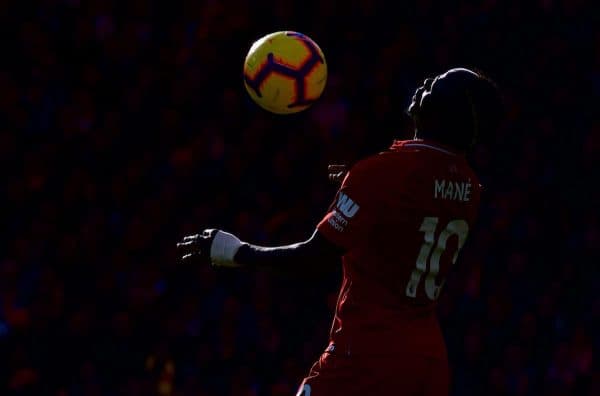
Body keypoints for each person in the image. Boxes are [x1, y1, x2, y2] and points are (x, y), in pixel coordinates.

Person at [177, 67, 503, 396]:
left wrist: (234, 251)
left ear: (449, 112)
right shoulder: (470, 186)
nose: (425, 83)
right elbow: (410, 207)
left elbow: (315, 259)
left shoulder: (381, 173)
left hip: (366, 353)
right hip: (428, 362)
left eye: (437, 85)